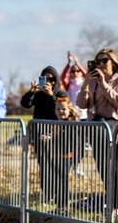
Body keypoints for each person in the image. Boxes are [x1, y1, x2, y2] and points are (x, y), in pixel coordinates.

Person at [76, 48, 118, 212]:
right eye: (97, 61)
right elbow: (81, 104)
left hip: (114, 123)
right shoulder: (93, 81)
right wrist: (86, 83)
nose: (100, 64)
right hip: (98, 126)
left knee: (115, 166)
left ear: (113, 62)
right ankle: (113, 202)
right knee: (103, 165)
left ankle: (116, 203)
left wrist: (104, 84)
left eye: (104, 61)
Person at [20, 66, 66, 202]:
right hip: (39, 134)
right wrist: (30, 92)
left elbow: (61, 110)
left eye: (51, 79)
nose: (48, 82)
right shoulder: (38, 93)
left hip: (56, 134)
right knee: (43, 165)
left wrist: (51, 95)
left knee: (56, 165)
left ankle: (58, 195)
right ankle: (47, 194)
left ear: (56, 80)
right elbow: (25, 104)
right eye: (45, 79)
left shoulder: (60, 93)